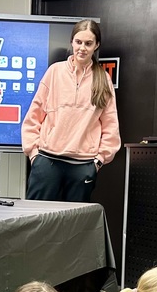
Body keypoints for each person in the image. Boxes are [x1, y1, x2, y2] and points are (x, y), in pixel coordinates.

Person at [21, 19, 121, 202]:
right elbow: (33, 116)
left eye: (88, 43)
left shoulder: (103, 79)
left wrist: (98, 161)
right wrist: (34, 153)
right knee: (36, 221)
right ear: (72, 42)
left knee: (74, 226)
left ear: (96, 45)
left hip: (83, 166)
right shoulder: (55, 72)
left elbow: (111, 125)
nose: (82, 48)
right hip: (47, 162)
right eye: (79, 42)